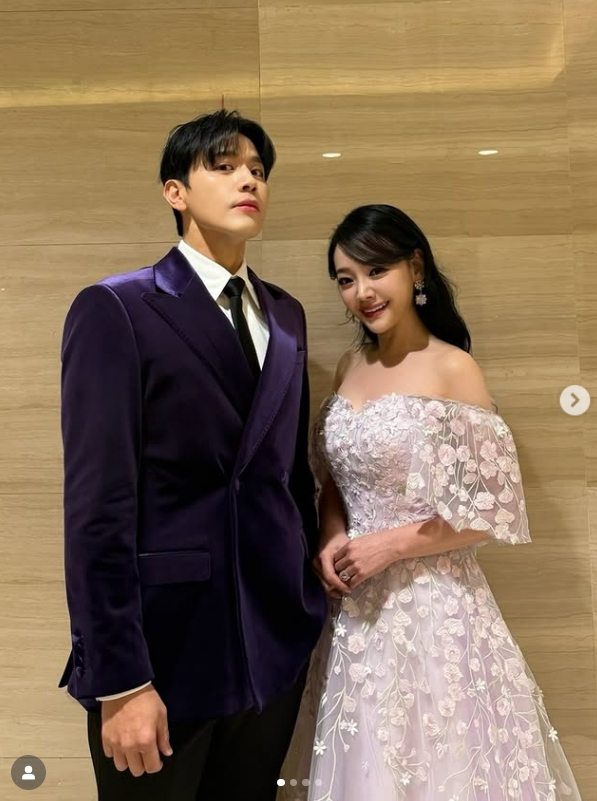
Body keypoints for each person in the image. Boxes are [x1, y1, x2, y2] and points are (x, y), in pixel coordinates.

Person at [58, 109, 327, 801]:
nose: (248, 180)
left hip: (271, 644)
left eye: (258, 170)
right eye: (224, 165)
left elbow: (287, 475)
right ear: (174, 191)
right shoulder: (117, 308)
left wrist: (302, 596)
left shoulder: (286, 315)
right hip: (163, 648)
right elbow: (97, 507)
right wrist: (120, 678)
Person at [279, 204, 582, 800]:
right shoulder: (349, 366)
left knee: (439, 763)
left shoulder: (453, 368)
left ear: (415, 268)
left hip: (434, 609)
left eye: (377, 271)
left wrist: (388, 547)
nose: (363, 292)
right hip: (353, 611)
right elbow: (333, 478)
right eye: (346, 279)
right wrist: (331, 535)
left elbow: (491, 509)